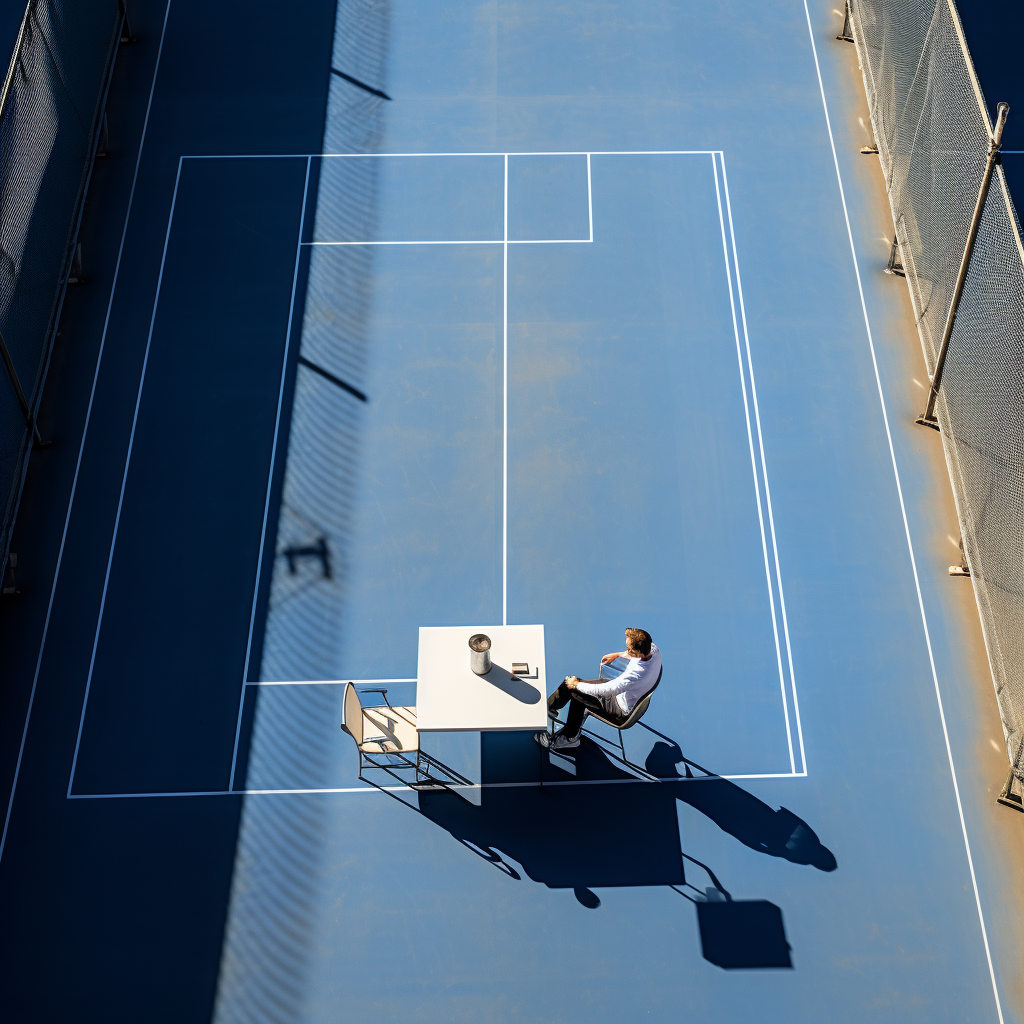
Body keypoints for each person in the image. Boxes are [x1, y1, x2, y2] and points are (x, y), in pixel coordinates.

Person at [544, 628, 661, 751]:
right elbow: (636, 654)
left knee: (573, 691)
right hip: (625, 694)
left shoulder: (635, 676)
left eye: (629, 649)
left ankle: (569, 737)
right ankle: (556, 708)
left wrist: (576, 685)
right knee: (577, 690)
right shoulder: (654, 649)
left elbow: (606, 691)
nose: (626, 650)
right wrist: (618, 655)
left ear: (638, 654)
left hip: (618, 708)